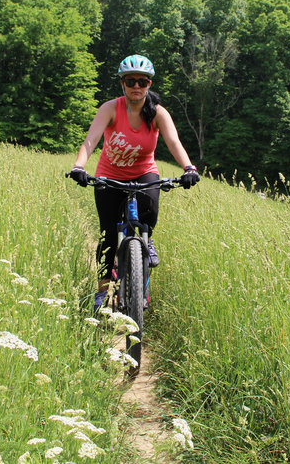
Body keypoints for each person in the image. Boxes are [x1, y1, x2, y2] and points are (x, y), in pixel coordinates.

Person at [68, 54, 199, 310]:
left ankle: (146, 243)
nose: (136, 86)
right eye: (131, 81)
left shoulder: (158, 113)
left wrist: (188, 167)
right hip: (109, 175)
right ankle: (102, 294)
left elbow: (173, 142)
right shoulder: (110, 108)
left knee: (150, 208)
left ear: (149, 84)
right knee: (107, 237)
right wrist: (79, 166)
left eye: (142, 81)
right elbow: (90, 140)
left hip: (144, 172)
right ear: (122, 84)